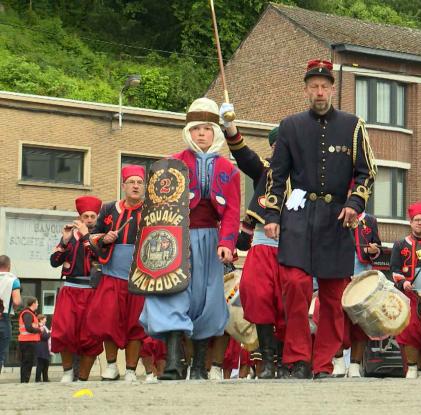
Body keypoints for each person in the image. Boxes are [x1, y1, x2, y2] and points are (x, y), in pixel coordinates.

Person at [264, 58, 376, 379]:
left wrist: (355, 203)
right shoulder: (290, 126)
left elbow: (367, 173)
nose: (319, 92)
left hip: (337, 219)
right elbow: (276, 175)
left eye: (324, 86)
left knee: (332, 296)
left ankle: (323, 363)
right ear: (306, 90)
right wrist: (272, 214)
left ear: (332, 89)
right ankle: (297, 358)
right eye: (313, 87)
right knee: (296, 286)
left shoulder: (353, 126)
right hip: (298, 217)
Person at [140, 97, 240, 381]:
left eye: (207, 128)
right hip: (175, 240)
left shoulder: (228, 169)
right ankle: (173, 363)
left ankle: (198, 366)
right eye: (196, 128)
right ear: (188, 132)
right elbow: (157, 207)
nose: (201, 134)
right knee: (171, 295)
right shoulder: (172, 164)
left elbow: (232, 211)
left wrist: (227, 244)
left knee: (205, 300)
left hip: (211, 242)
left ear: (215, 132)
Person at [227, 126, 287, 379]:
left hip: (293, 247)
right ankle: (267, 359)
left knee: (288, 303)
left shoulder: (307, 173)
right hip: (263, 245)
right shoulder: (265, 169)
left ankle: (287, 359)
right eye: (279, 144)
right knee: (258, 296)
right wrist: (231, 130)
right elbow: (244, 156)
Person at [88, 165, 146, 381]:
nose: (135, 185)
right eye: (131, 182)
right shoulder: (109, 208)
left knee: (136, 325)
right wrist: (104, 238)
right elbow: (91, 238)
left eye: (139, 182)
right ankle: (111, 366)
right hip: (112, 275)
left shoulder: (151, 210)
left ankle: (131, 370)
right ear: (123, 186)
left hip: (140, 278)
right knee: (108, 321)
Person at [49, 196, 104, 382]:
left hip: (93, 291)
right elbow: (54, 262)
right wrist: (64, 241)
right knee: (63, 332)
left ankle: (83, 377)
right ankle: (66, 373)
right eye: (85, 216)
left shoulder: (102, 236)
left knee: (91, 336)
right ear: (79, 218)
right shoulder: (70, 238)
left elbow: (101, 256)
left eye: (92, 216)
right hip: (70, 290)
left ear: (97, 218)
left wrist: (87, 237)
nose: (89, 219)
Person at [334, 209, 381, 378]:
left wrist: (373, 250)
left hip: (362, 275)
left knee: (361, 323)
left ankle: (355, 365)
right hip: (338, 273)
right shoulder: (335, 215)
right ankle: (338, 362)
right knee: (336, 318)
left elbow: (377, 247)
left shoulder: (370, 220)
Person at [391, 202, 421, 379]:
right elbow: (394, 270)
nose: (419, 223)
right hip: (410, 295)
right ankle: (412, 368)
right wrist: (403, 283)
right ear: (411, 222)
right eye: (416, 220)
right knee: (410, 332)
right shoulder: (400, 244)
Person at [0, 255, 21, 373]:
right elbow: (17, 301)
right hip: (3, 318)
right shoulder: (13, 280)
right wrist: (14, 306)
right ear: (9, 266)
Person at [18, 296, 40, 383]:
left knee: (27, 363)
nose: (38, 304)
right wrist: (39, 330)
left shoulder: (30, 313)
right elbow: (28, 328)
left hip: (27, 342)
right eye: (37, 302)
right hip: (27, 342)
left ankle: (24, 382)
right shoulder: (27, 313)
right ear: (33, 303)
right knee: (27, 363)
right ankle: (24, 382)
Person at [35, 315, 51, 382]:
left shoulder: (44, 327)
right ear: (41, 320)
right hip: (41, 348)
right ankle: (38, 379)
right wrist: (50, 333)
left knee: (46, 364)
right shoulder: (39, 327)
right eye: (45, 319)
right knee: (40, 364)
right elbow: (43, 336)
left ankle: (45, 378)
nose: (46, 320)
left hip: (44, 348)